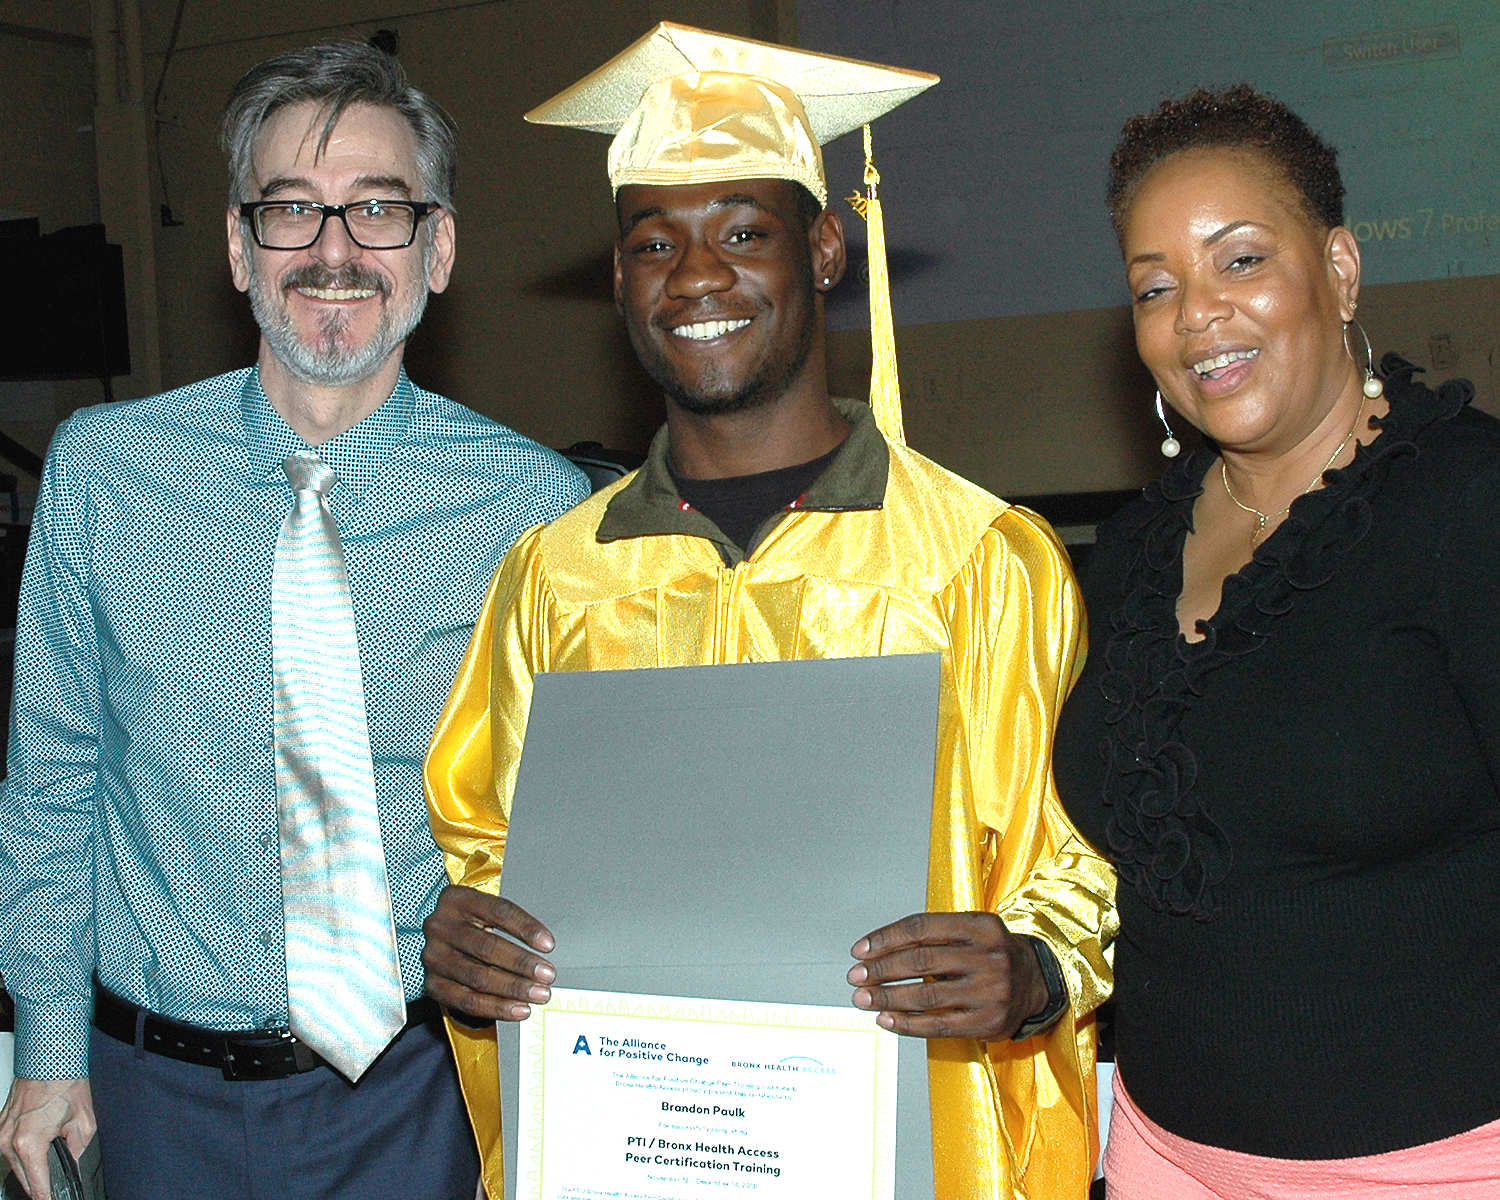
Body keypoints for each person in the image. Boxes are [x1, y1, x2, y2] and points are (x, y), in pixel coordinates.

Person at [421, 23, 1116, 1200]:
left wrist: (1036, 970)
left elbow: (1080, 861)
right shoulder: (555, 579)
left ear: (826, 247)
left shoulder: (980, 561)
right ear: (620, 280)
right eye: (654, 243)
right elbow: (488, 850)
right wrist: (467, 940)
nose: (696, 277)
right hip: (639, 1149)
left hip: (913, 1150)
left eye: (743, 231)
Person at [0, 42, 588, 1200]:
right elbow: (53, 784)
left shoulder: (533, 511)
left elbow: (565, 831)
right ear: (236, 247)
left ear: (440, 247)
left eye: (378, 209)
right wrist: (48, 1049)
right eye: (290, 211)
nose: (333, 250)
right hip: (150, 1097)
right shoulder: (106, 474)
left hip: (423, 1097)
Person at [1052, 85, 1500, 1198]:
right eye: (1157, 288)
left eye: (1240, 261)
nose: (1197, 315)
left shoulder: (1467, 503)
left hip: (1437, 1165)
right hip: (1160, 1153)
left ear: (1341, 270)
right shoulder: (1130, 553)